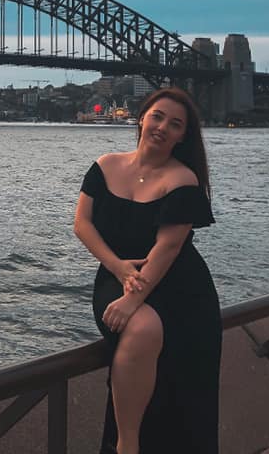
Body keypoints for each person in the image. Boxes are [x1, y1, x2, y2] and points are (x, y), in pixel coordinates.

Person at [74, 87, 221, 454]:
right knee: (143, 329)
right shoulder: (105, 166)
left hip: (180, 288)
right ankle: (128, 443)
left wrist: (132, 299)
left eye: (175, 124)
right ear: (141, 118)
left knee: (178, 385)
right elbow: (82, 224)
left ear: (182, 136)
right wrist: (119, 268)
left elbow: (168, 248)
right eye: (157, 116)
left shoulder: (183, 180)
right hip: (117, 274)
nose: (162, 127)